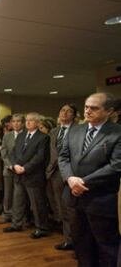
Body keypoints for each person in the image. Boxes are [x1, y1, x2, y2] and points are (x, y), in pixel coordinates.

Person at [59, 92, 121, 266]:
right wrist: (70, 178)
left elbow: (116, 165)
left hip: (100, 199)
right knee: (81, 244)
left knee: (106, 246)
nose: (87, 111)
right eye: (86, 107)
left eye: (94, 108)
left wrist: (83, 182)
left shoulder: (117, 133)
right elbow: (63, 157)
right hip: (74, 196)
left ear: (109, 111)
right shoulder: (75, 130)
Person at [3, 112, 50, 239]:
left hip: (33, 175)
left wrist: (25, 168)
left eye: (31, 120)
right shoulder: (21, 135)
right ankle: (16, 224)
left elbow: (40, 157)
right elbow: (13, 153)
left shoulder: (43, 138)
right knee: (18, 201)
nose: (28, 122)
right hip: (18, 173)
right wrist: (14, 166)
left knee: (37, 203)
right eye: (27, 120)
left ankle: (42, 228)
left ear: (38, 123)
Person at [45, 104, 78, 251]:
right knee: (62, 208)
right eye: (62, 110)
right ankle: (68, 240)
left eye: (68, 111)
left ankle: (77, 240)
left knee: (72, 209)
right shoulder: (54, 131)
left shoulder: (79, 130)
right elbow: (52, 153)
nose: (64, 113)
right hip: (54, 173)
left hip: (72, 174)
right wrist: (48, 170)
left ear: (74, 115)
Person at [0, 114, 25, 224]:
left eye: (18, 121)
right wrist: (10, 165)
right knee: (8, 194)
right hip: (9, 169)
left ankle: (19, 217)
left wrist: (20, 166)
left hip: (22, 169)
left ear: (23, 123)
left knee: (20, 195)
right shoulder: (7, 136)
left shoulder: (27, 135)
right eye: (14, 121)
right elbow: (4, 153)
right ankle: (7, 214)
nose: (16, 123)